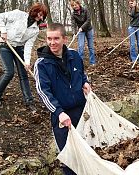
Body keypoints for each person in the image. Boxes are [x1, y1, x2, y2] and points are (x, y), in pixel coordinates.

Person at [34, 23, 91, 175]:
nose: (52, 43)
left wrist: (85, 82)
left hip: (81, 111)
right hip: (61, 116)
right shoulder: (42, 64)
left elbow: (81, 74)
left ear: (64, 39)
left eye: (56, 38)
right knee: (69, 157)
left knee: (87, 149)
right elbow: (43, 91)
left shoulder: (75, 56)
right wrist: (59, 112)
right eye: (49, 39)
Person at [0, 3, 48, 111]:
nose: (40, 17)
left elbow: (28, 45)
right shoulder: (18, 14)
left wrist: (27, 61)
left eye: (42, 16)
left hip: (19, 48)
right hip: (5, 45)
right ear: (34, 11)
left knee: (23, 75)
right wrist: (3, 31)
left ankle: (29, 101)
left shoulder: (35, 29)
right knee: (9, 72)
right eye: (40, 14)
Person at [70, 0, 96, 65]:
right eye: (73, 5)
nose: (74, 6)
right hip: (81, 31)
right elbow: (73, 24)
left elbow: (88, 20)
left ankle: (92, 62)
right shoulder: (73, 14)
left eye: (75, 5)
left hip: (89, 29)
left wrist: (82, 27)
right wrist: (74, 33)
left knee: (91, 46)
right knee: (80, 46)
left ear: (79, 4)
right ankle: (80, 63)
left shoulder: (85, 10)